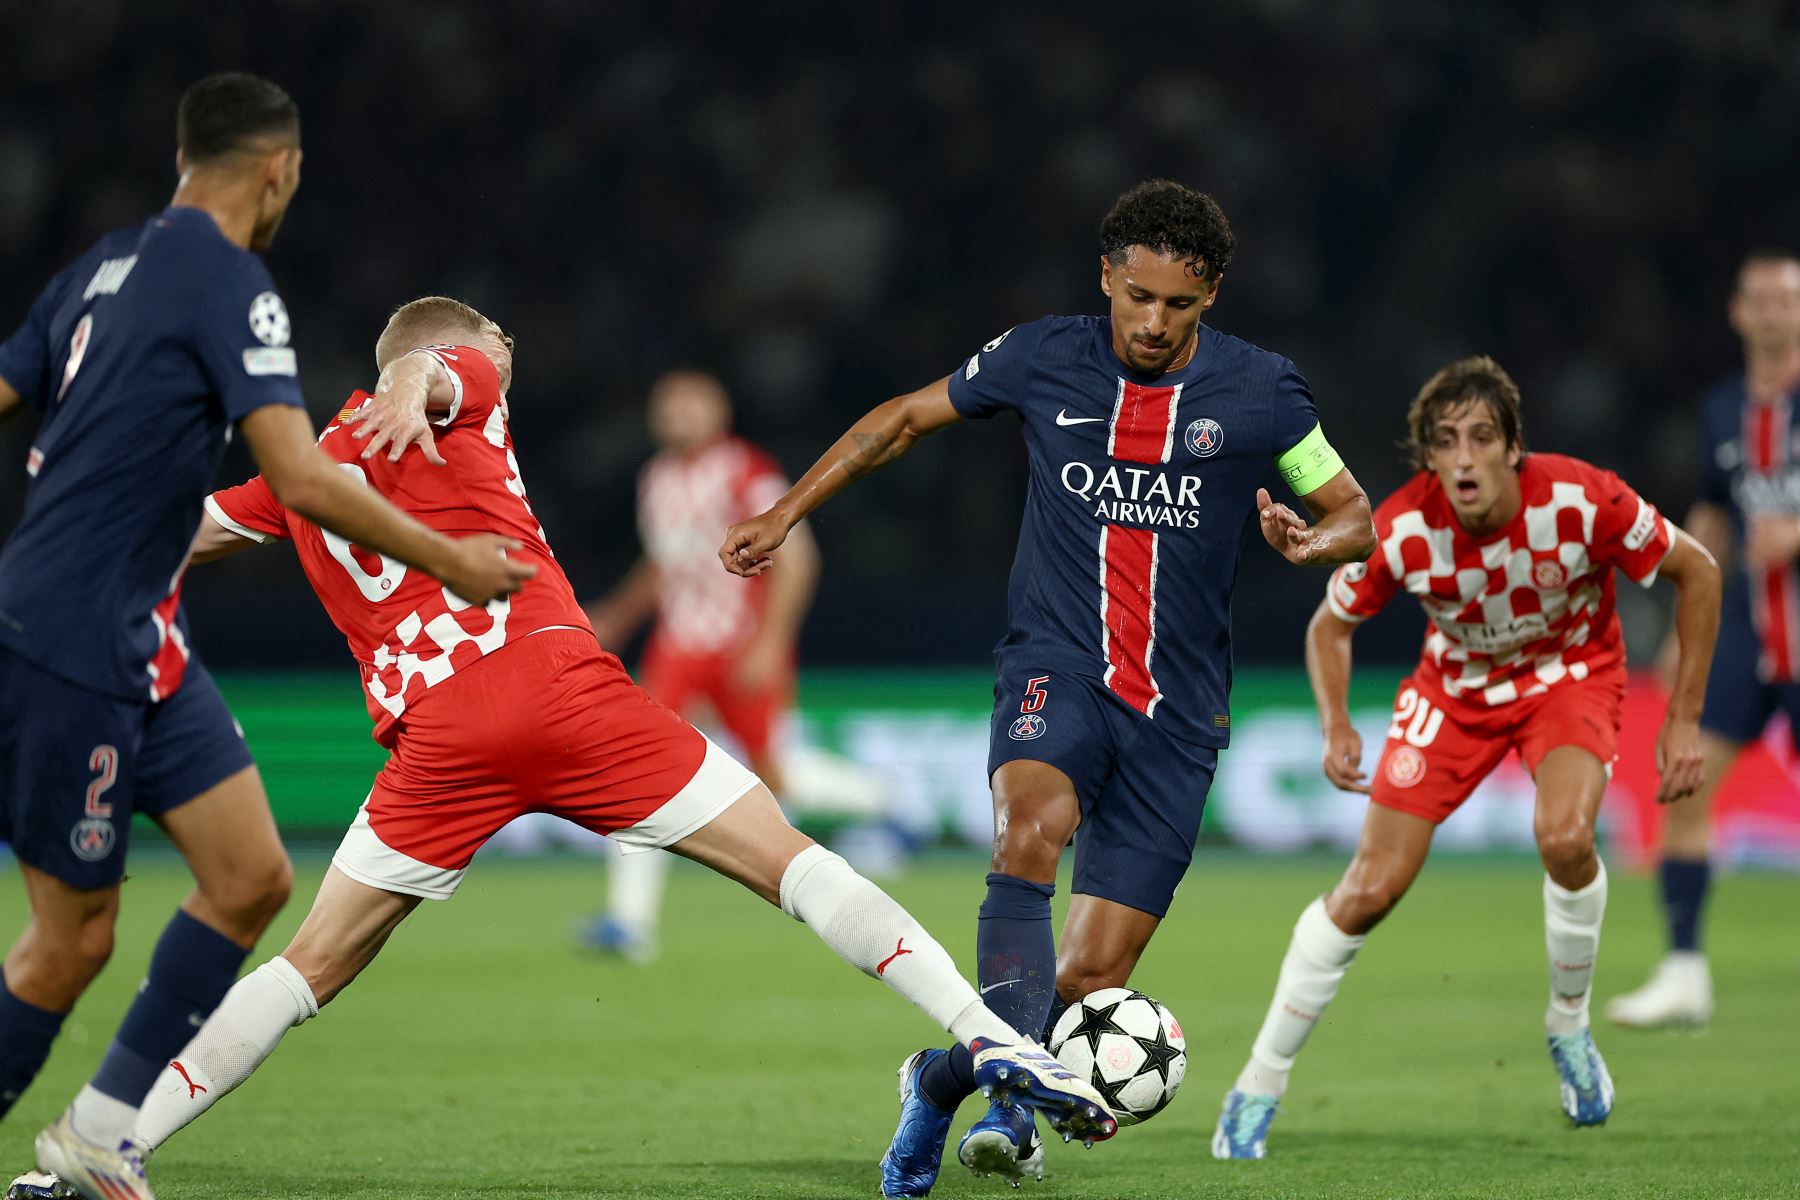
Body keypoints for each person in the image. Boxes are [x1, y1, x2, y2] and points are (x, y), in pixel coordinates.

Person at [106, 297, 1116, 1184]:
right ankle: (986, 1036)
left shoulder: (299, 474)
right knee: (793, 862)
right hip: (557, 686)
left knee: (307, 966)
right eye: (493, 336)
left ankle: (110, 1144)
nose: (504, 347)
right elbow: (436, 359)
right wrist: (418, 376)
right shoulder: (463, 385)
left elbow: (175, 531)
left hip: (440, 743)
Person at [716, 179, 1377, 1195]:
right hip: (1056, 661)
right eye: (1139, 297)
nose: (1155, 324)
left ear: (1212, 298)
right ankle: (1015, 1111)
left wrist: (1307, 541)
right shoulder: (1040, 357)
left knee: (1087, 984)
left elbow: (1351, 510)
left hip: (1178, 713)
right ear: (1106, 277)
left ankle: (943, 1081)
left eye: (1181, 306)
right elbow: (900, 422)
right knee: (1029, 827)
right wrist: (789, 511)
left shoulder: (1264, 392)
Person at [0, 75, 529, 1200]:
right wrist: (453, 561)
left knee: (248, 876)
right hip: (72, 630)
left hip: (145, 627)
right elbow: (296, 476)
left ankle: (100, 1131)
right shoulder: (233, 282)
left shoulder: (100, 265)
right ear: (277, 170)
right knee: (71, 943)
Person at [1211, 356, 1721, 1160]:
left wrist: (1684, 719)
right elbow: (1328, 627)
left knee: (1563, 838)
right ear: (1428, 460)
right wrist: (1336, 723)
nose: (1464, 458)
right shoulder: (1406, 529)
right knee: (1369, 889)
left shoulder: (1585, 499)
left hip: (1570, 679)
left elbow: (1699, 570)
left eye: (1482, 438)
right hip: (1453, 693)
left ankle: (1569, 1029)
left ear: (1513, 447)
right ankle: (1257, 1083)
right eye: (1444, 443)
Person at [1607, 249, 1800, 1029]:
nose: (1771, 310)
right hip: (1747, 641)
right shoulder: (1723, 408)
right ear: (1737, 312)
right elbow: (1715, 514)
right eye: (1758, 297)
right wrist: (1688, 615)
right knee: (1683, 784)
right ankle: (1684, 970)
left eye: (1786, 297)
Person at [579, 369, 822, 962]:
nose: (678, 415)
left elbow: (800, 559)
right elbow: (666, 565)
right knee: (633, 766)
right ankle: (628, 920)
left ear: (720, 411)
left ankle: (885, 806)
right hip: (679, 648)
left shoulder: (747, 470)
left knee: (779, 775)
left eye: (691, 404)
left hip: (740, 645)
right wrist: (618, 613)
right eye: (669, 406)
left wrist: (768, 644)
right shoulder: (656, 478)